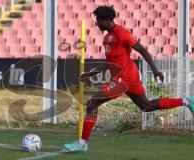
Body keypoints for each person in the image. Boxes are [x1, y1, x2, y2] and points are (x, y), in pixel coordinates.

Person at [64, 5, 194, 152]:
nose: (97, 23)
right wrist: (92, 74)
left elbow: (142, 50)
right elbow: (110, 62)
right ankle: (186, 101)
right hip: (128, 76)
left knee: (92, 103)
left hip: (125, 78)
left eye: (98, 20)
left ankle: (82, 143)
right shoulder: (107, 38)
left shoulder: (122, 33)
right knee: (146, 106)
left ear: (106, 20)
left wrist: (155, 70)